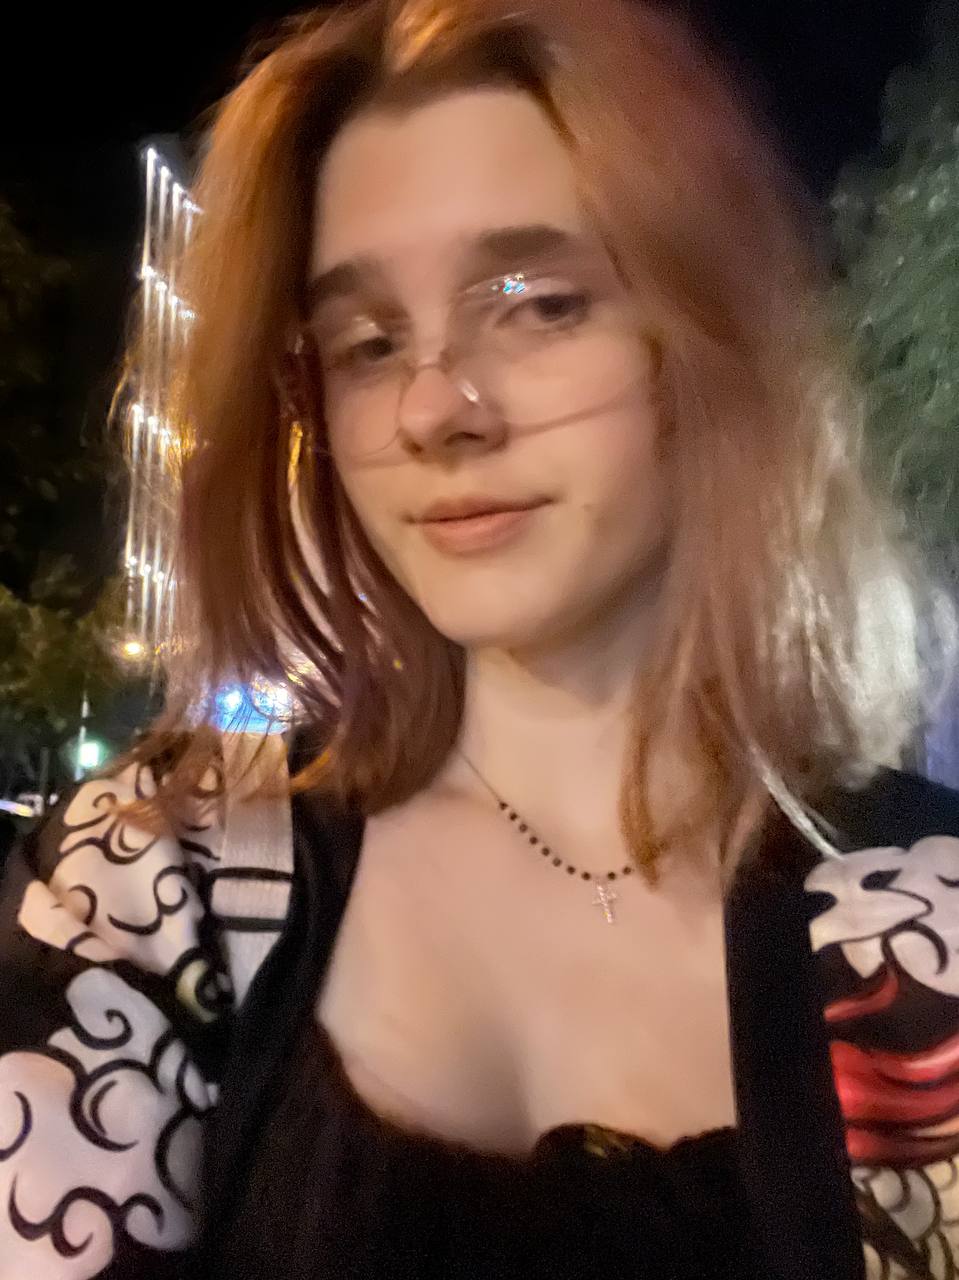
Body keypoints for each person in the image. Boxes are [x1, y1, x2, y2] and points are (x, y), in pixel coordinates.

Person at [2, 1, 958, 1276]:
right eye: (366, 342)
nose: (431, 407)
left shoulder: (925, 926)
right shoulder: (153, 885)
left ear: (704, 333)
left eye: (537, 304)